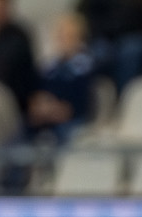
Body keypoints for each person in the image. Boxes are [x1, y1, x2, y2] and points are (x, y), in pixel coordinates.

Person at [29, 12, 97, 143]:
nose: (64, 40)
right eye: (60, 36)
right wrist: (39, 107)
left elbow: (84, 103)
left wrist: (59, 110)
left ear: (79, 38)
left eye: (69, 36)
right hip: (46, 118)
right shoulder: (49, 67)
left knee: (64, 135)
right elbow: (38, 93)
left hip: (73, 120)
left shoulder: (85, 67)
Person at [82, 0, 142, 90]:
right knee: (95, 52)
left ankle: (124, 94)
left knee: (131, 50)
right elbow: (87, 11)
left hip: (134, 35)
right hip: (102, 36)